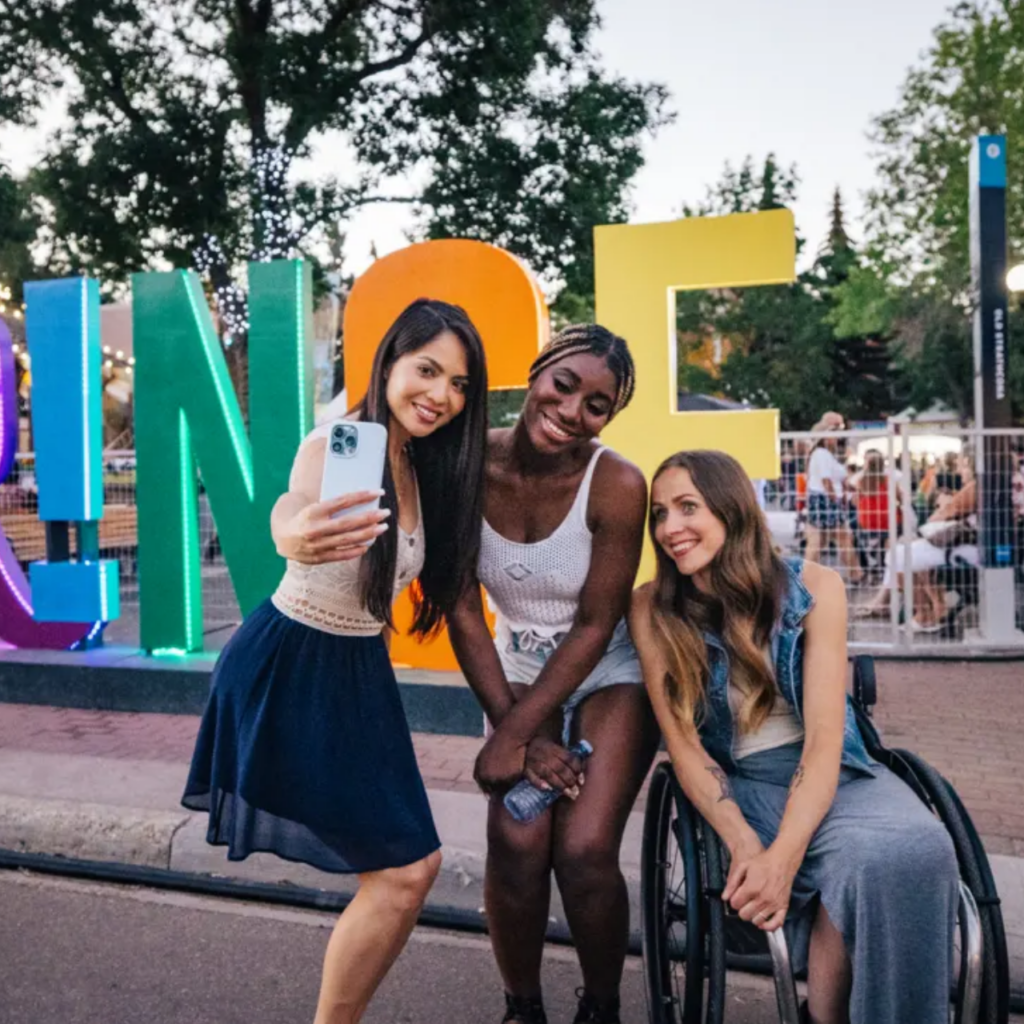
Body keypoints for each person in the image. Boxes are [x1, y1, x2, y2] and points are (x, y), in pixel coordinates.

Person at [182, 298, 489, 1024]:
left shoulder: (425, 462)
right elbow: (292, 505)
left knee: (409, 871)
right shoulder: (342, 445)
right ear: (388, 363)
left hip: (357, 675)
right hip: (292, 667)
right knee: (406, 871)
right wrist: (292, 535)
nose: (441, 395)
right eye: (427, 370)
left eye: (459, 385)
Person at [629, 450, 958, 1024]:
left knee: (917, 848)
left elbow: (826, 740)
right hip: (739, 782)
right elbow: (683, 748)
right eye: (660, 514)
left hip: (835, 771)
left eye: (688, 507)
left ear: (732, 509)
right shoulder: (653, 609)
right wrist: (749, 846)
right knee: (860, 863)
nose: (670, 529)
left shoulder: (814, 588)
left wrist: (786, 854)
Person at [447, 324, 660, 1024]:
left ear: (608, 419)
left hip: (607, 670)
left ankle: (601, 1007)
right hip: (512, 665)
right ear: (537, 371)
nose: (571, 410)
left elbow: (598, 625)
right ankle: (522, 1007)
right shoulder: (467, 463)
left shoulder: (618, 484)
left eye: (595, 405)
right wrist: (521, 734)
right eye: (562, 384)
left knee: (586, 846)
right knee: (515, 839)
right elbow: (463, 611)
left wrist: (516, 732)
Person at [803, 414, 863, 583]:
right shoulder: (822, 454)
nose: (837, 436)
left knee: (818, 542)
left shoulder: (822, 454)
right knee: (841, 539)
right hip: (826, 500)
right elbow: (826, 481)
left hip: (822, 500)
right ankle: (856, 574)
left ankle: (806, 578)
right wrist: (837, 498)